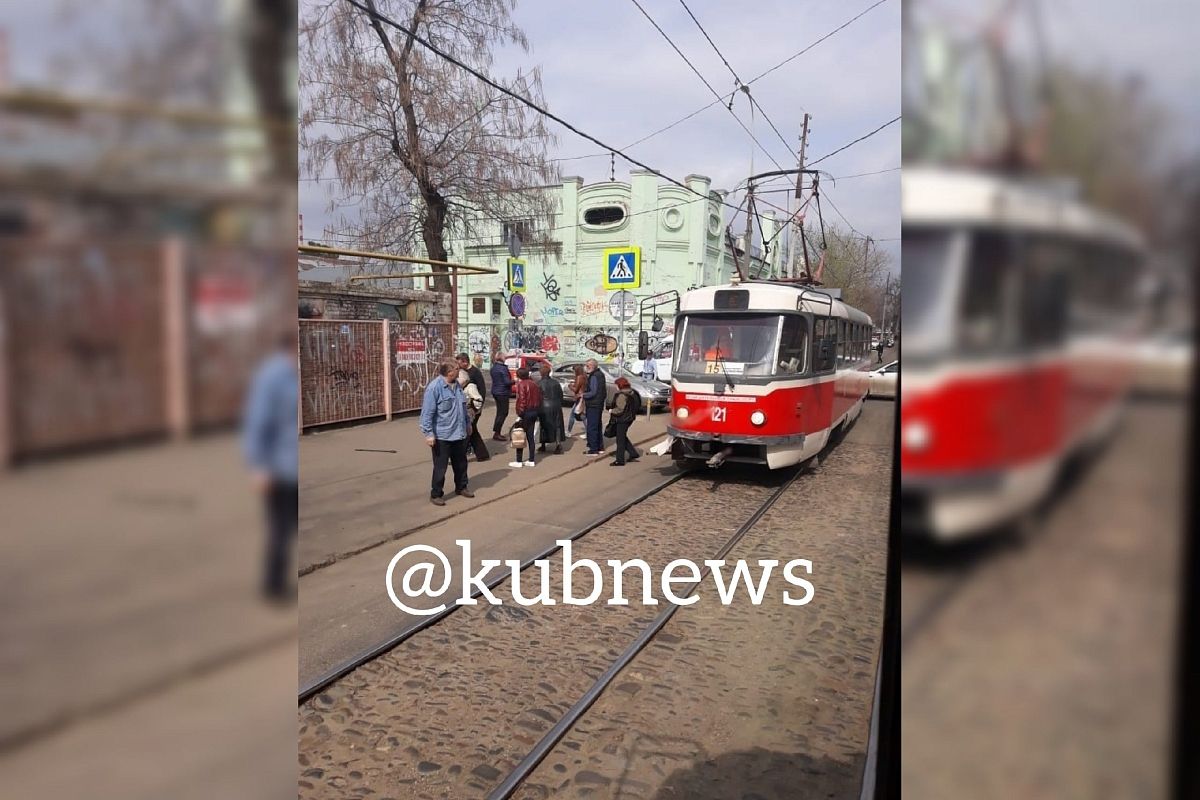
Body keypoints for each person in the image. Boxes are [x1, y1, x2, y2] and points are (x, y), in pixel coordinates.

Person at [242, 331, 299, 603]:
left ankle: (281, 579)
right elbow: (257, 422)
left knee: (289, 528)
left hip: (291, 464)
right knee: (280, 528)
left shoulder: (288, 375)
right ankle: (273, 586)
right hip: (279, 468)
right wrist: (259, 467)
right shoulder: (272, 376)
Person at [420, 361, 474, 506]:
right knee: (440, 467)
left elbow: (463, 408)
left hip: (459, 433)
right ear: (449, 372)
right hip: (442, 435)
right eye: (457, 369)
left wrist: (468, 424)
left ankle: (461, 486)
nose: (459, 370)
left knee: (461, 463)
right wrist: (429, 434)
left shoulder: (457, 386)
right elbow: (427, 414)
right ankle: (436, 493)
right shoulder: (434, 388)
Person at [606, 376, 642, 467]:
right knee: (621, 436)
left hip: (622, 419)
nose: (616, 387)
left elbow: (620, 409)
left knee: (620, 440)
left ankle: (620, 460)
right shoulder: (632, 392)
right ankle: (633, 453)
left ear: (619, 385)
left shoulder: (622, 395)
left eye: (616, 385)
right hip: (630, 418)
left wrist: (611, 411)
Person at [512, 367, 543, 467]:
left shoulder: (521, 384)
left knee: (519, 435)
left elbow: (522, 400)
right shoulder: (534, 384)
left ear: (519, 375)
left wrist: (520, 414)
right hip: (534, 411)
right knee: (530, 436)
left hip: (525, 412)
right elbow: (539, 398)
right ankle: (531, 459)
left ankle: (519, 460)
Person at [458, 368, 490, 461]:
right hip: (466, 413)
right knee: (473, 433)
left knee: (466, 435)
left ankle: (459, 457)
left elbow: (478, 399)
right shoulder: (461, 387)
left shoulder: (471, 387)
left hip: (470, 414)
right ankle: (482, 454)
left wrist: (473, 410)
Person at [537, 361, 565, 454]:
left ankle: (543, 445)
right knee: (557, 425)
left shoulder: (539, 383)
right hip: (556, 405)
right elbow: (561, 395)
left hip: (544, 406)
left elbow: (537, 397)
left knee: (544, 425)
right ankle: (558, 445)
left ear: (541, 373)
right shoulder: (555, 382)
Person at [581, 359, 607, 456]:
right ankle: (600, 447)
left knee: (592, 427)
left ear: (592, 366)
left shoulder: (594, 376)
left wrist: (583, 395)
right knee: (598, 425)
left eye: (587, 366)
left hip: (593, 404)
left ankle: (593, 449)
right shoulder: (600, 374)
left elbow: (593, 392)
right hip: (598, 403)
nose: (586, 367)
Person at [489, 352, 513, 441]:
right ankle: (497, 432)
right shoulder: (503, 369)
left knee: (500, 412)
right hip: (502, 392)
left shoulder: (493, 368)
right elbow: (506, 381)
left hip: (496, 391)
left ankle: (496, 431)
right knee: (503, 412)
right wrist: (514, 381)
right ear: (502, 358)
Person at [566, 364, 587, 438]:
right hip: (582, 397)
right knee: (581, 415)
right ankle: (569, 431)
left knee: (577, 415)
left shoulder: (579, 377)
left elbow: (576, 390)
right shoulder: (584, 376)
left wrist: (570, 386)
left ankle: (568, 431)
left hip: (579, 398)